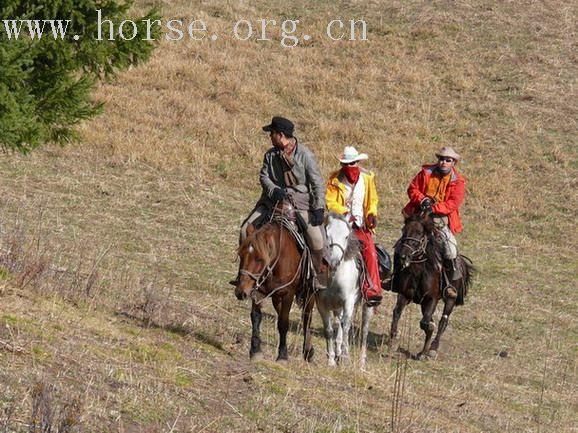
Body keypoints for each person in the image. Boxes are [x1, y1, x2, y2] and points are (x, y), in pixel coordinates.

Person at [236, 116, 327, 290]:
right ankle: (243, 274)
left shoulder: (306, 156)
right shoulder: (270, 155)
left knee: (316, 241)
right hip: (272, 201)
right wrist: (273, 190)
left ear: (280, 135)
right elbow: (264, 176)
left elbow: (317, 183)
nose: (270, 137)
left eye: (272, 133)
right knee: (244, 230)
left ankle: (316, 277)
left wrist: (318, 208)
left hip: (299, 202)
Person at [402, 146, 466, 294]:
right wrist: (422, 199)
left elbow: (453, 203)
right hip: (419, 215)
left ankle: (451, 282)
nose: (443, 162)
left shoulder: (458, 182)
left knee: (451, 250)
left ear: (453, 163)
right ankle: (395, 277)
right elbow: (412, 189)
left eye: (447, 160)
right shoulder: (425, 173)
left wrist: (434, 208)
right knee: (402, 244)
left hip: (440, 220)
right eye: (441, 159)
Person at [326, 146, 383, 307]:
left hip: (360, 226)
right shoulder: (334, 179)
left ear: (358, 162)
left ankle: (372, 289)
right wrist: (344, 212)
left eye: (352, 163)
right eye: (346, 164)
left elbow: (372, 200)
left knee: (370, 253)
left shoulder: (367, 178)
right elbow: (330, 201)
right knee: (324, 247)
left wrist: (371, 213)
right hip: (340, 223)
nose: (349, 167)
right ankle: (317, 283)